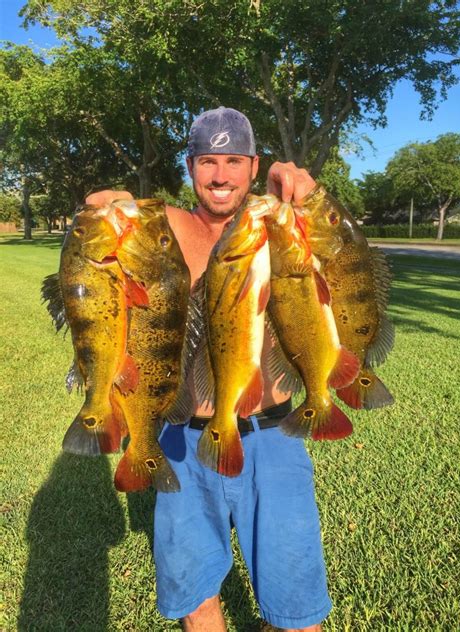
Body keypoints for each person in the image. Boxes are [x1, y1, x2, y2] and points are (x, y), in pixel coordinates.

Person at [87, 107, 331, 632]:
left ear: (253, 165)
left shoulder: (277, 226)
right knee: (197, 600)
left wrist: (304, 192)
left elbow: (333, 247)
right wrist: (110, 203)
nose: (221, 176)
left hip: (274, 439)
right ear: (191, 165)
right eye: (208, 162)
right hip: (183, 439)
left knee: (297, 605)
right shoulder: (165, 227)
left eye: (234, 161)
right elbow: (102, 206)